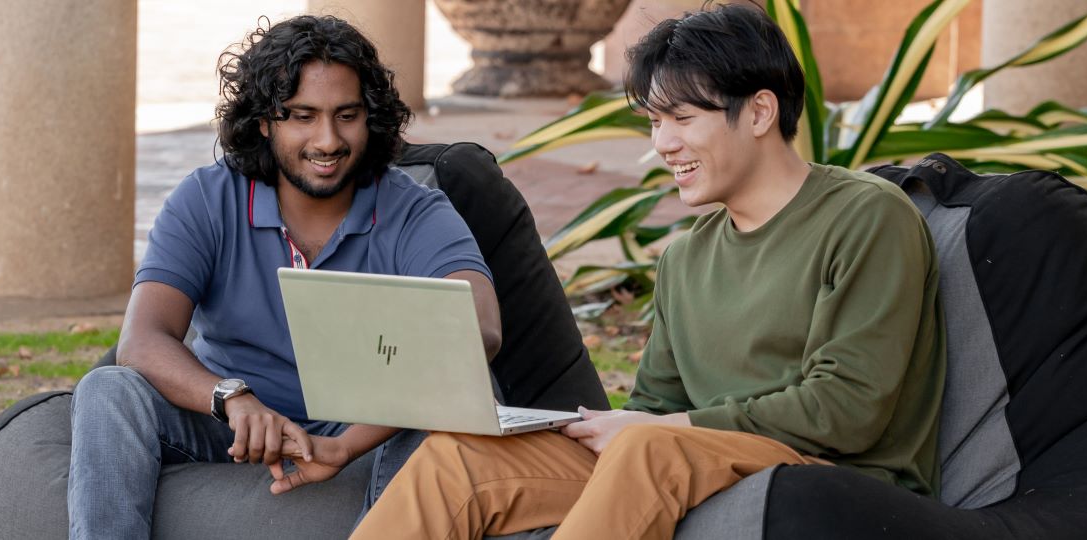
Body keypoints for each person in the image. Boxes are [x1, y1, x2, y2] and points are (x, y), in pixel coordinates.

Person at [348, 4, 946, 539]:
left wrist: (664, 427)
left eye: (681, 119)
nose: (663, 144)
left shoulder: (868, 216)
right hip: (685, 457)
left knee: (647, 447)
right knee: (457, 459)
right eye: (654, 123)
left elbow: (847, 409)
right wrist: (593, 426)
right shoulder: (686, 257)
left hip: (834, 478)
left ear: (761, 111)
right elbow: (656, 405)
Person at [66, 15, 501, 539]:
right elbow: (140, 341)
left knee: (452, 420)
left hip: (368, 432)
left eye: (347, 115)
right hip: (229, 424)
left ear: (371, 119)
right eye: (301, 116)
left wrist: (349, 443)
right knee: (108, 389)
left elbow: (480, 330)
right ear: (265, 122)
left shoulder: (415, 212)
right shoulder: (207, 199)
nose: (328, 139)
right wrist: (231, 398)